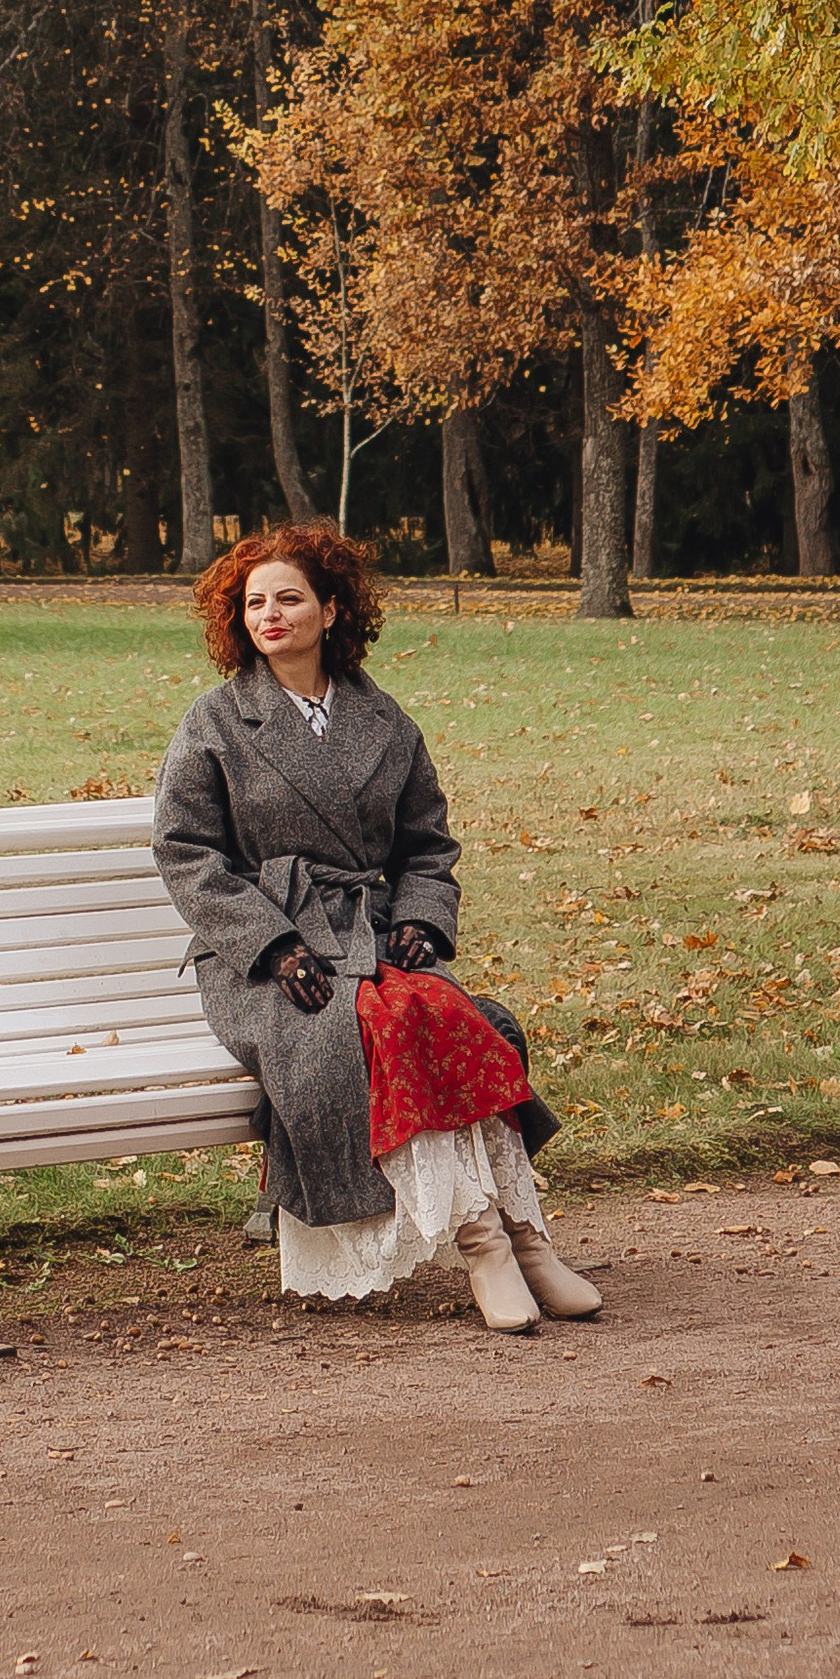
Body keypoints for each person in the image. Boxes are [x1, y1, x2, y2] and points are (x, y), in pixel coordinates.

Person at [154, 521, 602, 1331]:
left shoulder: (384, 721)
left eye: (289, 598)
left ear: (331, 610)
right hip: (267, 956)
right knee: (383, 1026)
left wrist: (423, 922)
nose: (270, 615)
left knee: (455, 1015)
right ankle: (487, 1248)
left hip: (372, 938)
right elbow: (187, 854)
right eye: (254, 603)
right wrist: (273, 944)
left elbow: (427, 844)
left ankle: (530, 1242)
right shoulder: (216, 723)